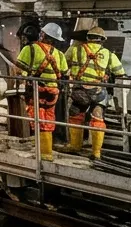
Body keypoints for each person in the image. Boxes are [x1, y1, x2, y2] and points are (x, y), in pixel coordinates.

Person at [65, 26, 123, 159]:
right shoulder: (108, 54)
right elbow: (119, 71)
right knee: (98, 117)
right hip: (98, 91)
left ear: (88, 38)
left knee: (75, 116)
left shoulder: (75, 50)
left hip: (80, 91)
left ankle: (75, 146)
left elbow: (63, 65)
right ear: (102, 40)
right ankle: (96, 152)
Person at [16, 22, 69, 161]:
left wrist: (26, 76)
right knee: (48, 119)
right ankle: (45, 149)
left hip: (37, 90)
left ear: (43, 34)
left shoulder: (30, 49)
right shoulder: (59, 54)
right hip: (53, 92)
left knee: (38, 120)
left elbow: (18, 68)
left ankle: (44, 154)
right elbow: (64, 72)